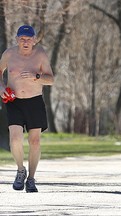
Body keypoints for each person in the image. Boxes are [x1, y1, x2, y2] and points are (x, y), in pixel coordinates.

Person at [0, 25, 54, 192]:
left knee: (34, 141)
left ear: (34, 40)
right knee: (15, 139)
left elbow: (50, 79)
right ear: (17, 39)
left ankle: (31, 179)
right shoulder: (9, 54)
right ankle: (20, 170)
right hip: (14, 101)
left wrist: (36, 76)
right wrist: (1, 87)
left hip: (34, 102)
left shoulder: (40, 54)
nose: (25, 42)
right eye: (22, 39)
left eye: (29, 39)